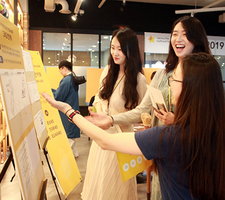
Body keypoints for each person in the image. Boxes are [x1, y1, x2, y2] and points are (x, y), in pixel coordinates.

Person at [42, 52, 225, 200]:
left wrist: (69, 110)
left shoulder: (170, 137)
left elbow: (105, 140)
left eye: (174, 79)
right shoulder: (216, 134)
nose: (170, 83)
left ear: (188, 87)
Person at [85, 15, 211, 199]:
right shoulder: (162, 73)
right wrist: (109, 118)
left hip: (191, 151)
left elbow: (210, 117)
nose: (178, 39)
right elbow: (143, 109)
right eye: (175, 34)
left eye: (185, 34)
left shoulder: (206, 71)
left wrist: (178, 120)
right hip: (161, 149)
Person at [84, 28, 147, 200]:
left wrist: (112, 119)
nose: (115, 53)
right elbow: (98, 96)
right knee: (98, 183)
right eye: (113, 47)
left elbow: (141, 112)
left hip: (121, 142)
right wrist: (96, 109)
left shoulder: (139, 80)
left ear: (130, 49)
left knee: (116, 188)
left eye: (120, 48)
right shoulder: (107, 71)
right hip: (100, 139)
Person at [52, 60, 80, 158]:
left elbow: (58, 97)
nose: (60, 72)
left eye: (60, 70)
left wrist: (50, 92)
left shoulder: (66, 80)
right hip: (73, 110)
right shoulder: (73, 79)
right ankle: (74, 155)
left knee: (68, 136)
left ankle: (69, 158)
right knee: (71, 135)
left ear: (64, 68)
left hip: (67, 112)